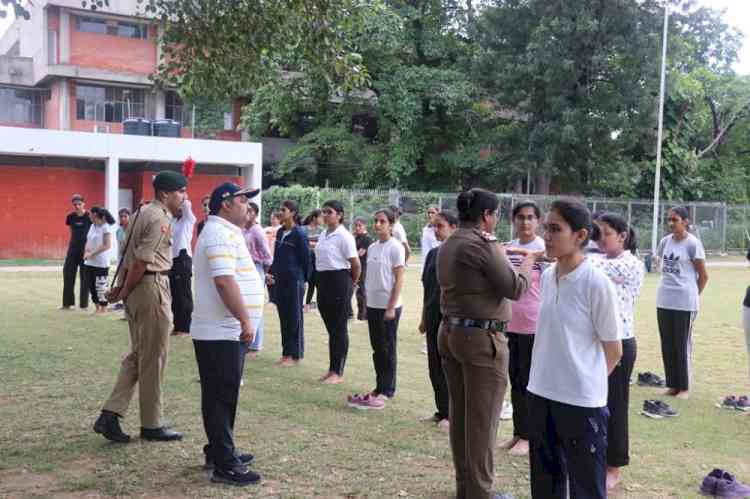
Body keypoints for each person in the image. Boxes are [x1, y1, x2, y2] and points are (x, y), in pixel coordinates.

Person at [437, 188, 534, 499]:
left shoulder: (451, 241)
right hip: (480, 339)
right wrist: (528, 262)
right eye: (495, 214)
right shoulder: (482, 244)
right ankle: (480, 492)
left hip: (452, 332)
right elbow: (515, 288)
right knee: (481, 421)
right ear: (486, 216)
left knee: (463, 419)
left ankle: (467, 487)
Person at [527, 199, 623, 499]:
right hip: (540, 393)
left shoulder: (596, 283)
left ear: (580, 236)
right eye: (547, 228)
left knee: (586, 485)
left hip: (581, 403)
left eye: (556, 229)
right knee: (545, 481)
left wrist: (585, 380)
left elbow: (614, 350)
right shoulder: (546, 276)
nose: (547, 236)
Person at [94, 170, 188, 444]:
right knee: (153, 357)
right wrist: (123, 290)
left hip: (138, 290)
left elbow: (128, 257)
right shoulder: (160, 217)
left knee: (139, 355)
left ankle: (110, 415)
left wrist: (122, 289)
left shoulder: (139, 213)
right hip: (150, 288)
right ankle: (151, 424)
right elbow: (141, 261)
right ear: (166, 194)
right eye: (180, 192)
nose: (184, 197)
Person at [192, 182, 263, 486]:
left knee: (221, 394)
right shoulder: (219, 234)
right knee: (222, 396)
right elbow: (224, 282)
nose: (248, 206)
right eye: (242, 200)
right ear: (225, 204)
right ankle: (225, 464)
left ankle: (220, 450)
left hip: (224, 331)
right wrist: (246, 320)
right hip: (222, 332)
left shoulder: (225, 231)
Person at [590, 212, 645, 491]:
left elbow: (591, 267)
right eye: (596, 232)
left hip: (620, 343)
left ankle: (614, 465)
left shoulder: (632, 264)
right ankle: (595, 458)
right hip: (594, 342)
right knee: (593, 403)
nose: (598, 238)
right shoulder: (596, 259)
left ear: (622, 236)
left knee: (615, 405)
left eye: (605, 233)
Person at [498, 200, 545, 457]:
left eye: (530, 217)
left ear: (538, 221)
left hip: (533, 325)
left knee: (528, 382)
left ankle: (529, 437)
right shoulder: (507, 247)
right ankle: (518, 433)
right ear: (513, 220)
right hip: (509, 323)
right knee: (514, 380)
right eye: (520, 217)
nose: (525, 222)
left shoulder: (542, 249)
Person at [347, 208, 406, 410]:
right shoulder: (372, 247)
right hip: (373, 305)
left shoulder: (395, 247)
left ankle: (387, 390)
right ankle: (379, 386)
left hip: (388, 307)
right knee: (377, 348)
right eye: (376, 221)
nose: (378, 224)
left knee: (388, 348)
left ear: (391, 224)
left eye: (382, 221)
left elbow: (398, 279)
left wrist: (390, 307)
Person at [655, 206, 709, 400]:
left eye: (675, 219)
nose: (671, 223)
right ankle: (672, 385)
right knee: (667, 343)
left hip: (684, 302)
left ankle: (684, 387)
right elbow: (662, 266)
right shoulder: (664, 242)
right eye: (669, 219)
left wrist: (693, 295)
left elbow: (703, 276)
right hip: (664, 299)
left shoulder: (692, 244)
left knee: (682, 345)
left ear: (685, 221)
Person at [418, 210, 457, 429]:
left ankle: (452, 415)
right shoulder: (433, 254)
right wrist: (424, 318)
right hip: (433, 315)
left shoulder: (460, 254)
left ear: (453, 227)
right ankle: (442, 409)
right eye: (434, 226)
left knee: (449, 367)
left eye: (440, 226)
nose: (436, 230)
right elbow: (427, 288)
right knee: (434, 366)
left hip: (452, 320)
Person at [316, 200, 361, 384]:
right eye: (324, 212)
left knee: (338, 328)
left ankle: (337, 371)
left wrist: (351, 285)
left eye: (329, 212)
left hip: (339, 280)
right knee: (331, 328)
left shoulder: (344, 236)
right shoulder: (323, 234)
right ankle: (331, 368)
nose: (325, 215)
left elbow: (356, 264)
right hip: (323, 280)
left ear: (339, 215)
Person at [267, 200, 310, 366]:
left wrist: (303, 279)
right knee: (283, 317)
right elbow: (277, 257)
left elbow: (306, 259)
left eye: (283, 210)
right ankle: (286, 354)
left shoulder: (299, 234)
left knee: (294, 318)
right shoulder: (279, 233)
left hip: (295, 281)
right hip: (281, 280)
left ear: (292, 213)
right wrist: (272, 273)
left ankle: (295, 355)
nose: (280, 212)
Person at [243, 202, 273, 357]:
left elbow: (267, 255)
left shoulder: (257, 231)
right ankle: (247, 339)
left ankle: (256, 344)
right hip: (243, 267)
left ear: (255, 214)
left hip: (256, 267)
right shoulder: (242, 229)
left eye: (250, 211)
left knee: (256, 306)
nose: (246, 213)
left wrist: (265, 272)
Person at [169, 197, 196, 336]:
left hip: (183, 258)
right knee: (175, 294)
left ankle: (185, 327)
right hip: (172, 259)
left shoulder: (188, 220)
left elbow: (187, 205)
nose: (177, 210)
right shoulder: (172, 222)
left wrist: (181, 195)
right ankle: (177, 325)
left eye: (180, 208)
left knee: (183, 294)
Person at [62, 194, 92, 310]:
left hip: (85, 250)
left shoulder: (89, 216)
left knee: (85, 277)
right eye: (75, 204)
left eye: (79, 204)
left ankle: (83, 305)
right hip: (73, 249)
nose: (77, 206)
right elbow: (71, 231)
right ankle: (67, 303)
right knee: (68, 273)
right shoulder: (70, 217)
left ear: (83, 204)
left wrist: (89, 249)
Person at [83, 207, 116, 313]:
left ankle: (103, 307)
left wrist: (92, 253)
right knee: (91, 284)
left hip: (101, 262)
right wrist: (86, 252)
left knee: (101, 286)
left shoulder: (106, 227)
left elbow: (107, 245)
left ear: (95, 215)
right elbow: (88, 241)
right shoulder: (92, 226)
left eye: (90, 214)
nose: (89, 216)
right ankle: (97, 307)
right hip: (89, 262)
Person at [302, 209, 323, 312]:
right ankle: (302, 304)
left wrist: (310, 244)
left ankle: (309, 305)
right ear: (314, 218)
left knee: (315, 283)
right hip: (306, 261)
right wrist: (314, 244)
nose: (322, 219)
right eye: (320, 217)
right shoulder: (303, 229)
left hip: (317, 261)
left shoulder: (322, 231)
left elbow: (321, 245)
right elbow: (303, 244)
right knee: (305, 283)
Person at [353, 217, 373, 321]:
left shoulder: (366, 239)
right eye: (356, 225)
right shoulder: (356, 237)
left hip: (363, 267)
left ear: (364, 226)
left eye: (359, 225)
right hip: (355, 267)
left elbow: (360, 253)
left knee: (362, 292)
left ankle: (364, 315)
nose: (357, 227)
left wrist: (348, 255)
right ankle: (359, 314)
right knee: (357, 292)